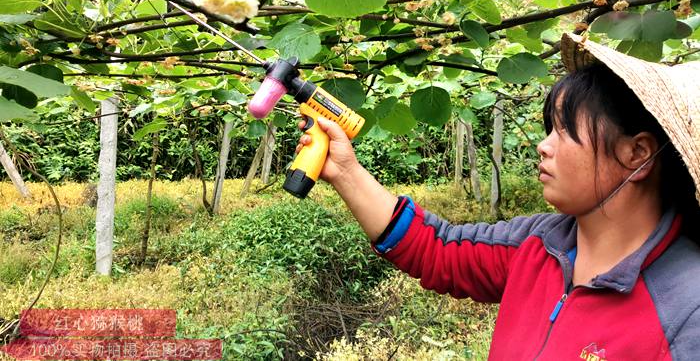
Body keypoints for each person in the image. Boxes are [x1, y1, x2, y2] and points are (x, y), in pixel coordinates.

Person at [295, 33, 700, 360]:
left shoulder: (686, 309)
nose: (544, 147)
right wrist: (345, 171)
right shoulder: (539, 245)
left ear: (638, 155)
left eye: (563, 131)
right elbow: (437, 251)